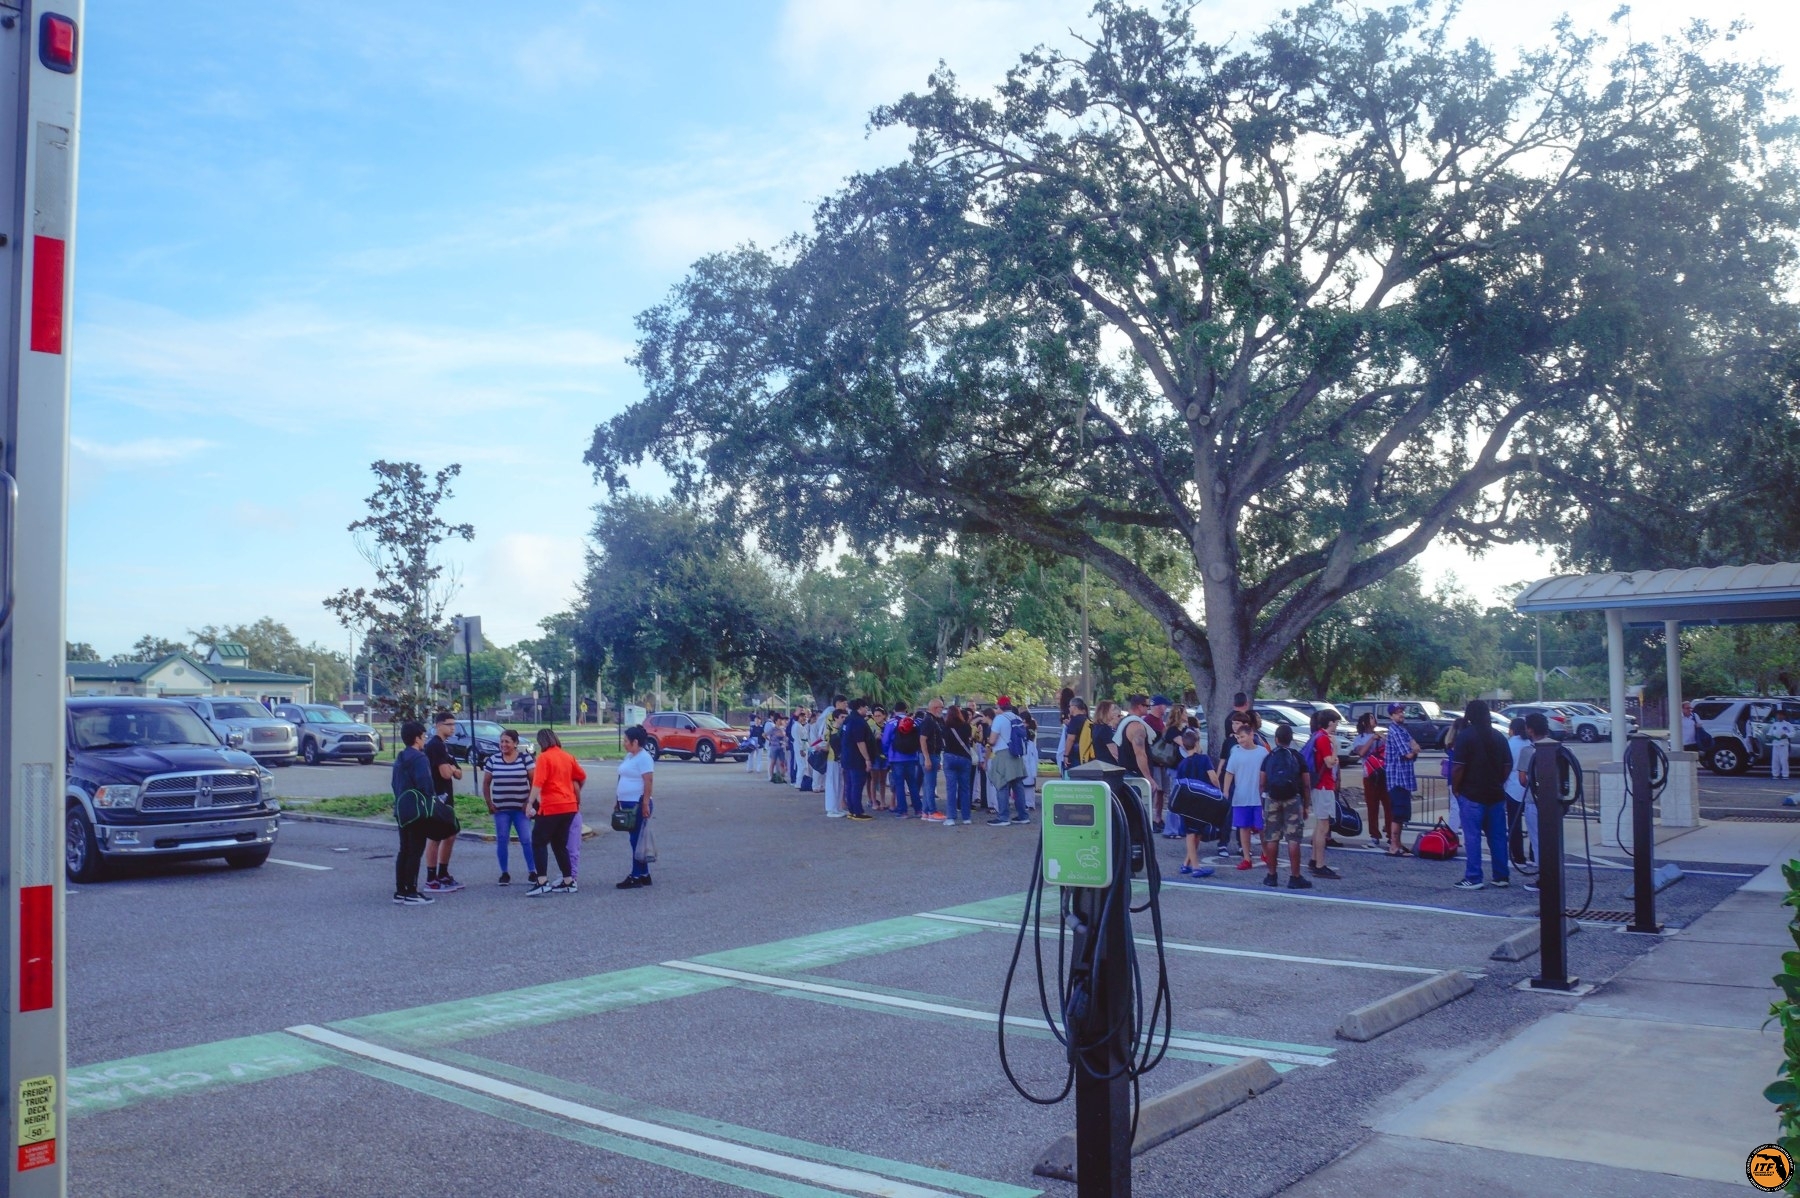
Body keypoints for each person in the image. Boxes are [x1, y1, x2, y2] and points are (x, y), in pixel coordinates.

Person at [1450, 699, 1512, 891]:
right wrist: (1498, 781)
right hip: (1495, 793)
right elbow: (1507, 765)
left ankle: (1474, 876)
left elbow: (1458, 767)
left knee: (1473, 837)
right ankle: (1501, 875)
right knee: (1498, 837)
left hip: (1472, 793)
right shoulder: (1499, 736)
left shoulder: (1465, 736)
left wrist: (1456, 788)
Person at [526, 728, 586, 895]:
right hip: (569, 806)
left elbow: (538, 782)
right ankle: (568, 881)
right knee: (559, 844)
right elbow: (581, 776)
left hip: (552, 805)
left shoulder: (544, 757)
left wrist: (530, 803)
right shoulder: (568, 756)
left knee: (538, 841)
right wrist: (573, 792)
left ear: (541, 742)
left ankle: (542, 881)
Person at [1257, 724, 1313, 889]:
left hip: (1272, 798)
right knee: (1293, 839)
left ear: (1276, 739)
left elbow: (1262, 783)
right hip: (1292, 799)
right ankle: (1295, 877)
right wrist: (1306, 805)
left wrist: (1263, 802)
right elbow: (1306, 784)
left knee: (1272, 837)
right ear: (1291, 739)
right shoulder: (1297, 757)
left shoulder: (1269, 757)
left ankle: (1271, 876)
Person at [390, 719, 437, 905]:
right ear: (417, 738)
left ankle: (400, 890)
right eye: (423, 736)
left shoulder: (400, 757)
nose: (424, 739)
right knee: (415, 851)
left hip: (401, 809)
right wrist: (432, 801)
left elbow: (394, 783)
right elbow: (426, 784)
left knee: (404, 849)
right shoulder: (420, 758)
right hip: (417, 810)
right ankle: (412, 891)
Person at [481, 728, 533, 885]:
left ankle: (533, 871)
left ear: (515, 743)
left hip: (520, 809)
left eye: (507, 742)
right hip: (501, 809)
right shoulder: (493, 760)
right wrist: (489, 802)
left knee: (526, 839)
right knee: (502, 839)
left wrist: (529, 801)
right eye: (501, 741)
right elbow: (486, 783)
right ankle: (504, 873)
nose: (503, 744)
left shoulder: (525, 759)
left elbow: (534, 781)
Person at [1220, 720, 1270, 874]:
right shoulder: (1236, 753)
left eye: (1242, 737)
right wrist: (1226, 791)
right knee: (1243, 827)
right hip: (1241, 796)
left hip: (1258, 797)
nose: (1240, 740)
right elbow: (1229, 773)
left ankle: (1266, 853)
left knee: (1261, 828)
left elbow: (1267, 772)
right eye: (1238, 737)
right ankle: (1247, 858)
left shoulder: (1262, 752)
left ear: (1251, 735)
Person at [423, 711, 464, 893]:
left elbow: (459, 773)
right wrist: (451, 769)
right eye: (449, 724)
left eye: (454, 724)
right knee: (436, 836)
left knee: (451, 834)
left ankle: (443, 873)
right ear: (439, 725)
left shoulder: (446, 746)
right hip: (437, 796)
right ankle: (431, 879)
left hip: (448, 798)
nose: (453, 728)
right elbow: (446, 773)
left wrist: (453, 769)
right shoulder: (435, 746)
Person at [1171, 729, 1218, 877]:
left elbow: (1179, 784)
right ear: (1197, 743)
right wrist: (1218, 790)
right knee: (1194, 833)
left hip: (1187, 802)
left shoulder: (1182, 764)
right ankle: (1196, 867)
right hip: (1202, 800)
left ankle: (1187, 863)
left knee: (1193, 832)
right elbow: (1213, 777)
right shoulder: (1204, 759)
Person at [1517, 712, 1555, 894]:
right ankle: (1554, 875)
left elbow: (1522, 779)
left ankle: (1544, 878)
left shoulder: (1528, 751)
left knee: (1538, 841)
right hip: (1554, 802)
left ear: (1530, 730)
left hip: (1534, 801)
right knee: (1553, 841)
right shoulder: (1558, 748)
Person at [615, 724, 656, 888]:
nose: (624, 743)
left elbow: (648, 781)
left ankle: (636, 875)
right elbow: (622, 776)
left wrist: (645, 803)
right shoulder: (630, 757)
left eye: (626, 741)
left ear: (635, 742)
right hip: (626, 803)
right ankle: (644, 874)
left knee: (636, 840)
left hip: (637, 804)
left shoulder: (644, 758)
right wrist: (617, 799)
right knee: (636, 839)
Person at [1306, 711, 1343, 880]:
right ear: (1330, 722)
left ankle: (1314, 860)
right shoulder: (1324, 739)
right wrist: (1335, 749)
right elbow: (1329, 762)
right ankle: (1320, 865)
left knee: (1319, 824)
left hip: (1319, 785)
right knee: (1323, 826)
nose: (1337, 726)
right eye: (1336, 722)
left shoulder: (1317, 736)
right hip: (1324, 785)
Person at [1382, 703, 1419, 856]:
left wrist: (1414, 749)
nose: (1401, 714)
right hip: (1397, 779)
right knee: (1397, 815)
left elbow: (1415, 747)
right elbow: (1408, 753)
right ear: (1391, 715)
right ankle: (1393, 846)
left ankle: (1398, 844)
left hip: (1404, 779)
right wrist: (1413, 749)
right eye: (1397, 712)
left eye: (1402, 711)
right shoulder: (1394, 731)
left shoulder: (1403, 730)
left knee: (1402, 815)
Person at [987, 696, 1030, 826]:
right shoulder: (1017, 717)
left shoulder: (999, 719)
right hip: (1017, 754)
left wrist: (988, 742)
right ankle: (1023, 816)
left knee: (1002, 785)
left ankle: (1003, 817)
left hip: (1003, 754)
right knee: (1018, 786)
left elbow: (992, 740)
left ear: (999, 706)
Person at [1504, 716, 1537, 878]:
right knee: (1533, 825)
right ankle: (1534, 855)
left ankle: (1518, 857)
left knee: (1514, 824)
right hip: (1530, 788)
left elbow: (1505, 765)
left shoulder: (1509, 744)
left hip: (1512, 787)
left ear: (1512, 729)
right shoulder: (1529, 744)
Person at [1351, 712, 1388, 850]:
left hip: (1383, 773)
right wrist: (1372, 739)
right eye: (1371, 717)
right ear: (1364, 722)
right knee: (1372, 806)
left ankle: (1391, 833)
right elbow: (1361, 752)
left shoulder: (1382, 736)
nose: (1374, 719)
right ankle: (1374, 835)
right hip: (1370, 775)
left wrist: (1383, 739)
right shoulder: (1359, 738)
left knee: (1388, 804)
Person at [839, 697, 876, 821]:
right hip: (857, 759)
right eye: (866, 707)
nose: (867, 710)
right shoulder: (858, 722)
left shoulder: (848, 720)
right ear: (860, 707)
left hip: (847, 757)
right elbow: (860, 742)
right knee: (857, 785)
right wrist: (867, 759)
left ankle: (852, 810)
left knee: (850, 785)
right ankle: (858, 812)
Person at [888, 704, 927, 818]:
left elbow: (886, 741)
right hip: (911, 757)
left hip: (896, 758)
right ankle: (918, 810)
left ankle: (902, 811)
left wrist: (887, 754)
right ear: (906, 710)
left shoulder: (891, 723)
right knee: (913, 784)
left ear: (894, 710)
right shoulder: (914, 722)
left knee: (899, 785)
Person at [941, 704, 976, 826]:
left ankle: (951, 817)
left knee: (951, 789)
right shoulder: (966, 726)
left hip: (950, 756)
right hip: (964, 757)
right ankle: (966, 817)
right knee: (965, 788)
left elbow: (944, 742)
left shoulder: (945, 727)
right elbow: (969, 739)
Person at [919, 698, 946, 819]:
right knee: (930, 785)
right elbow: (922, 740)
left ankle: (925, 811)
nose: (942, 710)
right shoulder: (929, 721)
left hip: (933, 755)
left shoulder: (933, 720)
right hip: (929, 755)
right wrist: (927, 758)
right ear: (935, 708)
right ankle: (931, 811)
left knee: (928, 785)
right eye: (941, 707)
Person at [1062, 698, 1093, 773]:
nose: (1069, 708)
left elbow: (1071, 739)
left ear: (1074, 707)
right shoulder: (1087, 720)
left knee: (1074, 776)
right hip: (1085, 754)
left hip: (1075, 755)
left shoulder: (1074, 720)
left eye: (1070, 706)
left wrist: (1066, 755)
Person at [1020, 713, 1040, 814]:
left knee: (1028, 782)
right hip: (1029, 756)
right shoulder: (1031, 730)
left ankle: (1028, 803)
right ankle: (1029, 803)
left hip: (1028, 755)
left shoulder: (1028, 731)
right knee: (1028, 782)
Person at [1090, 700, 1120, 768]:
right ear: (1105, 711)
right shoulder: (1105, 729)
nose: (1115, 712)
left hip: (1101, 764)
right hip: (1110, 766)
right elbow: (1115, 753)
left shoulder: (1097, 727)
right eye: (1112, 710)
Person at [1773, 710, 1795, 781]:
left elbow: (1793, 732)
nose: (1779, 716)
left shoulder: (1787, 724)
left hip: (1783, 745)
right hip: (1775, 745)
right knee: (1775, 761)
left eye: (1781, 715)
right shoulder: (1774, 724)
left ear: (1784, 716)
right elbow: (1770, 733)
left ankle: (1785, 775)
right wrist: (1768, 736)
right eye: (1778, 715)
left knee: (1784, 761)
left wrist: (1786, 735)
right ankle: (1775, 774)